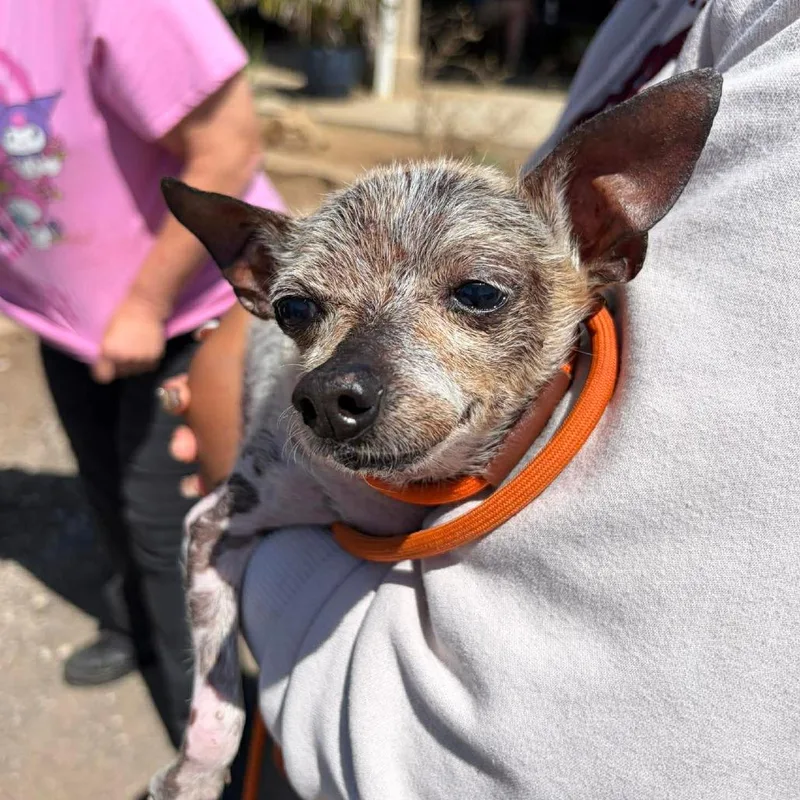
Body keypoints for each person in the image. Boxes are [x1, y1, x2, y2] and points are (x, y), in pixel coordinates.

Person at [165, 0, 800, 796]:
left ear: (600, 237)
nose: (338, 385)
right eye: (301, 311)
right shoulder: (637, 20)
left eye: (475, 296)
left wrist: (226, 423)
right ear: (256, 284)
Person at [0, 0, 285, 750]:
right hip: (66, 328)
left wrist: (143, 305)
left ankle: (215, 753)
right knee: (102, 488)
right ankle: (133, 628)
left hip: (185, 313)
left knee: (168, 534)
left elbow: (230, 148)